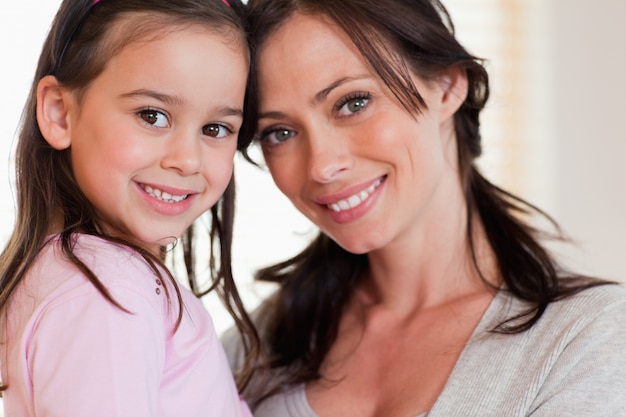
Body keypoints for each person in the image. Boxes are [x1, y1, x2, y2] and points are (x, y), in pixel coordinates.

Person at [223, 0, 626, 415]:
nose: (322, 166)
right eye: (279, 132)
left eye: (353, 103)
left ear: (448, 86)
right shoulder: (253, 350)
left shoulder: (587, 340)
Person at [0, 0, 259, 415]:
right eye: (152, 115)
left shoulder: (74, 277)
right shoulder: (110, 293)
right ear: (60, 113)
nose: (187, 159)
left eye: (216, 128)